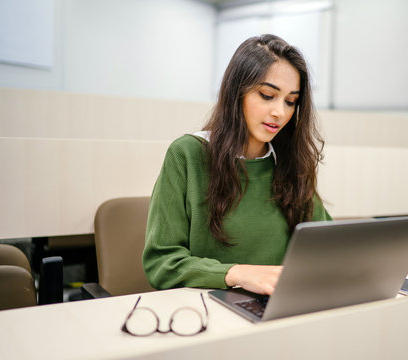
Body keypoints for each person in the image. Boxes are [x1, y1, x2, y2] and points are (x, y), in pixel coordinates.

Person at [142, 34, 331, 296]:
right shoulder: (187, 154)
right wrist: (236, 273)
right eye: (267, 95)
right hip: (210, 307)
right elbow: (161, 263)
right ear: (236, 92)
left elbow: (327, 243)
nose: (280, 112)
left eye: (290, 101)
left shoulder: (291, 162)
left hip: (281, 307)